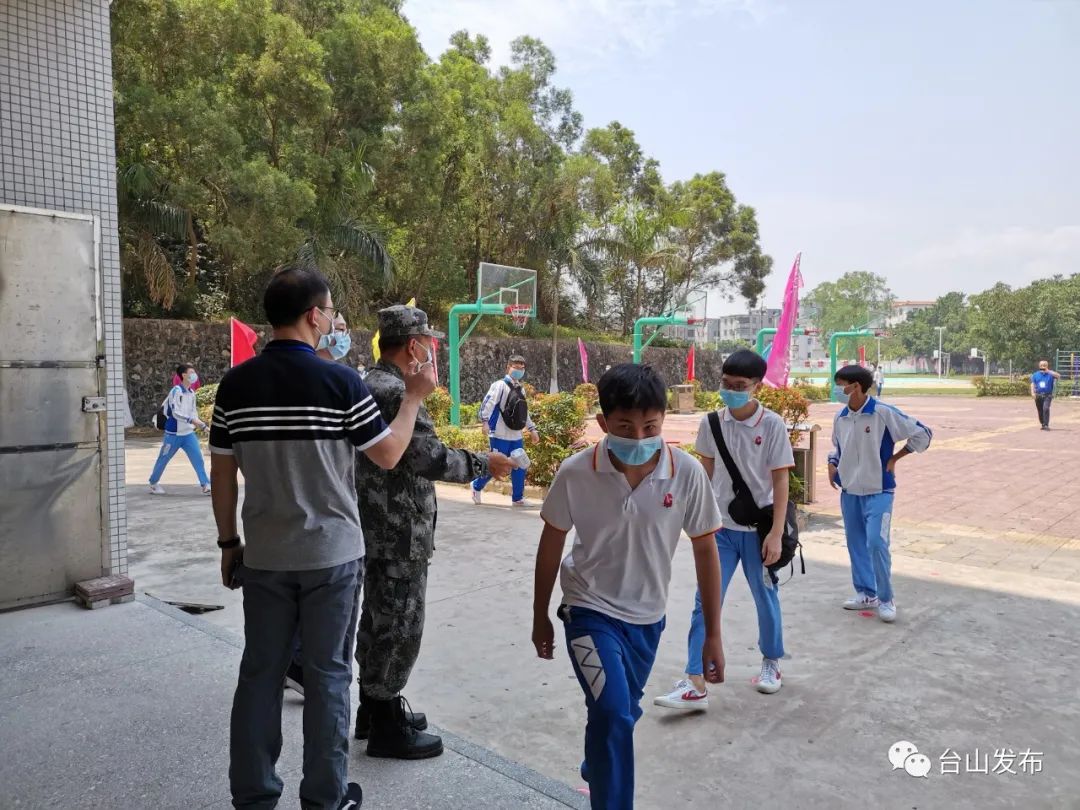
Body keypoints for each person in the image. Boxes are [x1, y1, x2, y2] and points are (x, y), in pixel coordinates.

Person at [209, 263, 436, 810]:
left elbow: (222, 473)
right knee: (329, 676)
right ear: (314, 316)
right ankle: (326, 798)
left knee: (260, 673)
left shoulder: (236, 385)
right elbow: (387, 454)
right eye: (331, 312)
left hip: (263, 555)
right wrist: (413, 398)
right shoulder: (339, 383)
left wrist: (228, 544)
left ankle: (256, 795)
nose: (333, 320)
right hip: (332, 558)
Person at [532, 364, 725, 809]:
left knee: (618, 713)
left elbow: (705, 550)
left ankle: (597, 759)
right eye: (625, 426)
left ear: (663, 422)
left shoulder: (687, 473)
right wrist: (540, 615)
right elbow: (551, 543)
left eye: (650, 426)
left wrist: (712, 634)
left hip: (647, 619)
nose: (639, 437)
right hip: (588, 610)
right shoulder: (576, 472)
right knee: (615, 712)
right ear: (603, 423)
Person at [340, 305, 515, 759]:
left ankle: (373, 708)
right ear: (414, 345)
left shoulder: (369, 381)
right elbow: (426, 457)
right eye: (429, 342)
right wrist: (483, 463)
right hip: (399, 531)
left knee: (378, 618)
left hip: (374, 527)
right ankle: (385, 726)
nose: (433, 350)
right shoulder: (397, 392)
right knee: (399, 624)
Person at [654, 349, 794, 709]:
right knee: (706, 602)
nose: (731, 391)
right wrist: (695, 520)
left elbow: (781, 482)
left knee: (765, 596)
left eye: (740, 386)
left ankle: (771, 663)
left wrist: (777, 533)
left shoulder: (772, 425)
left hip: (759, 531)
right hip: (720, 530)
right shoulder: (712, 423)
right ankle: (694, 679)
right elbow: (703, 475)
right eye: (726, 384)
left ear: (757, 387)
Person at [828, 365, 932, 623]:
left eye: (842, 385)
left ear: (857, 386)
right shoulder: (840, 417)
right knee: (856, 545)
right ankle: (866, 593)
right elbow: (837, 447)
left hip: (879, 491)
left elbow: (923, 433)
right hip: (850, 491)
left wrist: (896, 458)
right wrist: (832, 465)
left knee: (876, 543)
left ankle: (886, 599)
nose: (838, 390)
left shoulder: (883, 413)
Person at [472, 354, 540, 506]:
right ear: (508, 367)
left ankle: (517, 498)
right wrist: (485, 421)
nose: (519, 371)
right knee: (496, 464)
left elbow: (524, 412)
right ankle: (476, 486)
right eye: (516, 367)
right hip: (499, 434)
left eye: (522, 368)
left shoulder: (521, 389)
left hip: (516, 435)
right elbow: (488, 403)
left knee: (520, 464)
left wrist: (532, 429)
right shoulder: (499, 386)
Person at [148, 364, 210, 495]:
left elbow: (193, 413)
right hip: (173, 434)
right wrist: (191, 420)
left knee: (198, 459)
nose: (194, 375)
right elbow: (175, 413)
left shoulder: (192, 393)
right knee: (164, 458)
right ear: (184, 375)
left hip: (188, 434)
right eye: (191, 372)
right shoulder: (176, 391)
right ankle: (153, 483)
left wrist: (203, 426)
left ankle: (205, 484)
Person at [1031, 360, 1060, 430]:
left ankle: (1046, 424)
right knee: (1040, 410)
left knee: (1046, 408)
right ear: (1039, 366)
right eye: (1041, 365)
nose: (1043, 366)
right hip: (1038, 395)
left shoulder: (1050, 374)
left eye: (1044, 365)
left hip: (1048, 395)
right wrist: (1032, 393)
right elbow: (1032, 384)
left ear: (1047, 366)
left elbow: (1058, 376)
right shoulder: (1035, 374)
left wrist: (1048, 371)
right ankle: (1043, 423)